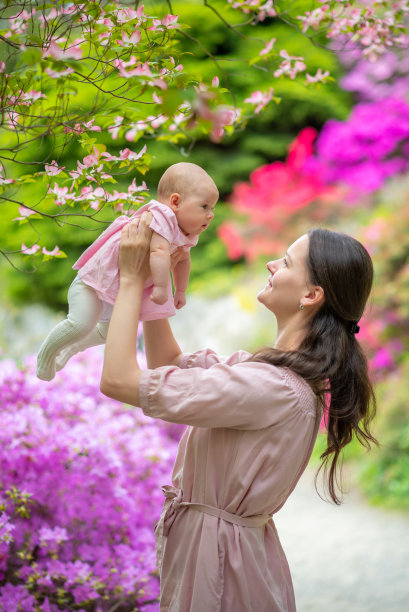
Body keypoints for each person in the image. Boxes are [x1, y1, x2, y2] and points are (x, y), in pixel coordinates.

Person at [100, 219, 378, 612]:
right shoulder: (267, 374)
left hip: (219, 568)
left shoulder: (270, 387)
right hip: (227, 555)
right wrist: (153, 281)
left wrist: (129, 281)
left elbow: (117, 380)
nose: (270, 265)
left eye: (284, 262)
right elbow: (167, 362)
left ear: (312, 294)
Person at [36, 162, 219, 381]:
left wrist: (181, 290)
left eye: (212, 209)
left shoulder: (184, 232)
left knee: (108, 333)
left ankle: (69, 350)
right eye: (205, 207)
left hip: (115, 290)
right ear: (176, 202)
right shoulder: (162, 217)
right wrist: (162, 288)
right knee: (80, 325)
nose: (210, 215)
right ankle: (45, 356)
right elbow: (159, 252)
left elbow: (183, 260)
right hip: (94, 283)